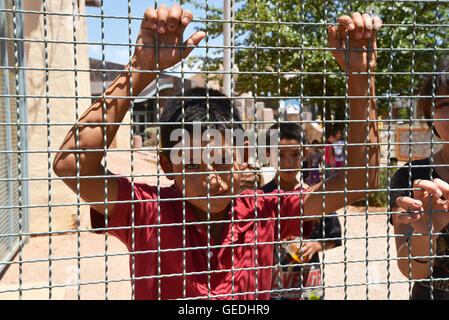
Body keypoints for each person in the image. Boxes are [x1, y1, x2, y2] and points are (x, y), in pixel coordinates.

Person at [52, 5, 381, 300]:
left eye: (222, 161)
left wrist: (360, 77)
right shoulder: (146, 213)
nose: (210, 178)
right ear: (166, 165)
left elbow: (362, 180)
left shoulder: (264, 212)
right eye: (192, 164)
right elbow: (70, 165)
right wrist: (140, 69)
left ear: (244, 155)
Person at [389, 59, 449, 300]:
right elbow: (411, 270)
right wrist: (427, 231)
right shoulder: (411, 177)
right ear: (429, 114)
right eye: (445, 103)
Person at [262, 125, 342, 300]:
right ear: (267, 155)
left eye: (295, 155)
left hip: (309, 287)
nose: (288, 163)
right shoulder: (261, 198)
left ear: (304, 153)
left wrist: (316, 245)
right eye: (280, 155)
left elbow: (334, 236)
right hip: (274, 288)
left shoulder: (314, 196)